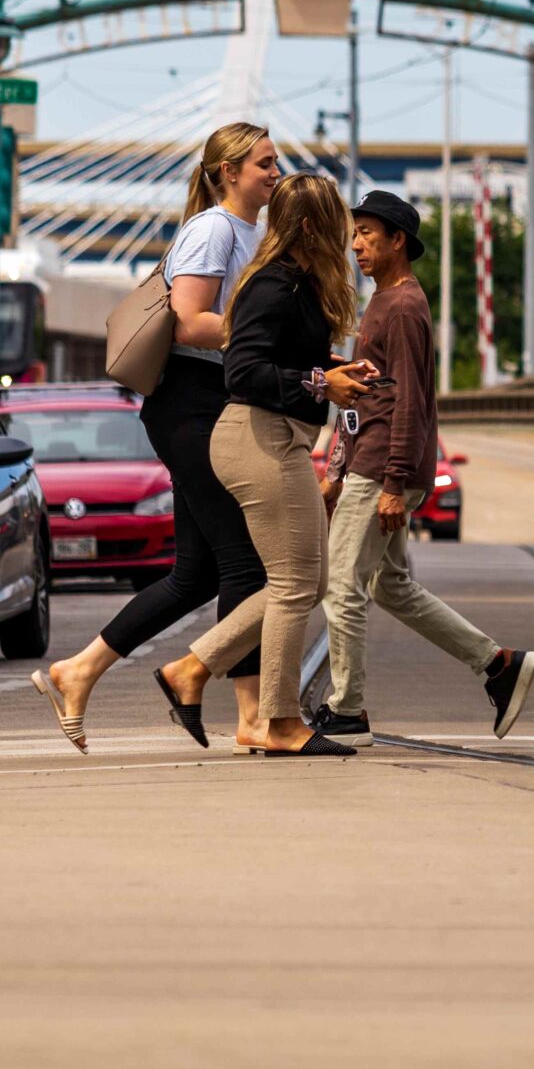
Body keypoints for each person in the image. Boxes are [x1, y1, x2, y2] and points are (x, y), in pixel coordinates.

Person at [32, 125, 320, 751]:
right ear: (229, 172)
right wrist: (264, 337)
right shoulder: (214, 229)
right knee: (245, 561)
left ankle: (79, 670)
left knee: (196, 574)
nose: (276, 173)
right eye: (265, 163)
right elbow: (188, 321)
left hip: (216, 400)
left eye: (276, 162)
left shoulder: (256, 233)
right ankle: (252, 717)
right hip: (193, 403)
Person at [311, 189, 534, 745]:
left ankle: (347, 709)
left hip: (381, 470)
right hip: (370, 466)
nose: (356, 244)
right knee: (391, 586)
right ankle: (497, 664)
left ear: (398, 241)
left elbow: (410, 401)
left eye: (367, 233)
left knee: (341, 586)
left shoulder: (404, 307)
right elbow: (366, 398)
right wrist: (336, 472)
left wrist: (391, 483)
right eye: (355, 233)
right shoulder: (383, 302)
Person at [154, 174, 362, 757]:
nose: (345, 234)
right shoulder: (273, 283)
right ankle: (279, 722)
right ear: (312, 226)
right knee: (294, 585)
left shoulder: (297, 284)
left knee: (310, 583)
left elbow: (282, 357)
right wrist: (321, 382)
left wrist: (335, 369)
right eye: (336, 220)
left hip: (278, 438)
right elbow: (243, 371)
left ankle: (192, 669)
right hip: (259, 439)